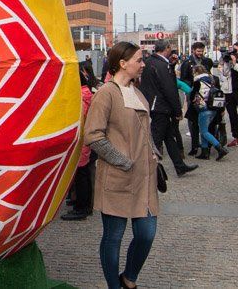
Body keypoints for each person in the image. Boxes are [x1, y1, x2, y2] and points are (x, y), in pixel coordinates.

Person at [84, 42, 159, 289]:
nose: (143, 64)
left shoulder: (137, 93)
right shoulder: (106, 93)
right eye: (139, 60)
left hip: (144, 179)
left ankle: (129, 278)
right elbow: (93, 135)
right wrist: (123, 161)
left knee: (146, 234)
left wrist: (153, 152)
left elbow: (144, 130)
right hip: (118, 177)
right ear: (123, 63)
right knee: (113, 238)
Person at [139, 40, 198, 176]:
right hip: (161, 106)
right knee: (156, 139)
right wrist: (177, 110)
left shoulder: (150, 62)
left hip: (153, 103)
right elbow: (169, 89)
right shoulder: (162, 65)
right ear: (167, 48)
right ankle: (144, 169)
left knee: (169, 137)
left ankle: (179, 165)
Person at [63, 68, 98, 221]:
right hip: (85, 141)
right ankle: (81, 204)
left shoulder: (80, 97)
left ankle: (81, 208)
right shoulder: (86, 93)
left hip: (82, 143)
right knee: (83, 175)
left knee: (82, 176)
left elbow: (79, 121)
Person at [180, 42, 212, 157]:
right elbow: (183, 79)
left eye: (201, 51)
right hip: (193, 93)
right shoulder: (187, 63)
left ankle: (205, 143)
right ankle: (194, 145)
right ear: (193, 50)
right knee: (193, 119)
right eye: (198, 51)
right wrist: (192, 87)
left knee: (204, 118)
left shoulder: (206, 61)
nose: (200, 53)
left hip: (205, 94)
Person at [191, 65, 228, 160]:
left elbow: (192, 95)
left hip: (204, 108)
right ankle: (205, 152)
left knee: (204, 132)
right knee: (205, 129)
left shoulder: (197, 82)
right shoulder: (211, 79)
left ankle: (220, 149)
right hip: (213, 108)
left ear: (196, 72)